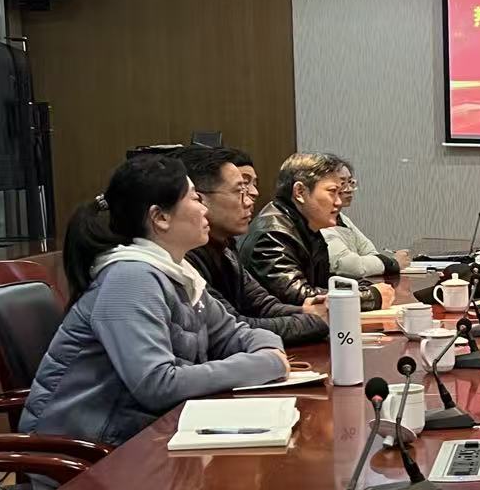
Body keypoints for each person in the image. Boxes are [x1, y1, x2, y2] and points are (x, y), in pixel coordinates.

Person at [20, 154, 287, 449]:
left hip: (142, 437)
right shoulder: (129, 278)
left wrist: (268, 351)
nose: (204, 209)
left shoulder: (178, 271)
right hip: (87, 453)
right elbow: (158, 384)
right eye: (195, 199)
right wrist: (265, 363)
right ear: (160, 217)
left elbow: (235, 333)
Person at [180, 147, 329, 346]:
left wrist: (305, 311)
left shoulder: (224, 246)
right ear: (200, 199)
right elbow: (234, 328)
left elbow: (263, 305)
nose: (251, 199)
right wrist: (315, 320)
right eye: (239, 191)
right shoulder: (185, 255)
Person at [241, 152, 393, 311]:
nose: (338, 202)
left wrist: (364, 287)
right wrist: (370, 296)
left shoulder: (305, 225)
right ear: (300, 192)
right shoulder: (273, 235)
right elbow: (300, 298)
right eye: (332, 191)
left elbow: (325, 282)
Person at [324, 161, 411, 278]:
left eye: (350, 182)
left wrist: (374, 264)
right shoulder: (318, 222)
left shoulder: (342, 218)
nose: (349, 189)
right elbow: (350, 266)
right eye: (342, 183)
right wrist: (392, 263)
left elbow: (370, 252)